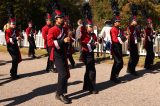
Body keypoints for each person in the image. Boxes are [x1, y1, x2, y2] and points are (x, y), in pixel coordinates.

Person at [47, 9, 71, 104]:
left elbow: (65, 41)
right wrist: (63, 41)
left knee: (65, 74)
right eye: (60, 18)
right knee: (63, 74)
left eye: (62, 17)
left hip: (63, 53)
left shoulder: (64, 29)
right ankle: (59, 94)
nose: (62, 19)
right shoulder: (52, 29)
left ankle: (61, 92)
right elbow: (50, 43)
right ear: (56, 19)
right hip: (56, 54)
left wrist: (68, 40)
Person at [80, 19, 99, 94]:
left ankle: (86, 86)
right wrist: (94, 45)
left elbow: (95, 41)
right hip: (86, 54)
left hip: (91, 53)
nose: (92, 27)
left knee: (88, 70)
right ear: (86, 27)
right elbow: (85, 46)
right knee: (92, 70)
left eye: (92, 26)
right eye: (90, 26)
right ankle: (91, 88)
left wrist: (99, 40)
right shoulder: (84, 35)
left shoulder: (93, 34)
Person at [110, 16, 127, 83]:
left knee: (118, 63)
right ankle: (114, 77)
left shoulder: (119, 29)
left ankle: (113, 76)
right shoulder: (113, 29)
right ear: (114, 23)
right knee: (119, 63)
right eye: (118, 21)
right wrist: (123, 38)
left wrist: (126, 37)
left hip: (119, 47)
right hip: (114, 47)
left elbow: (122, 37)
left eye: (119, 21)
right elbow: (114, 39)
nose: (119, 22)